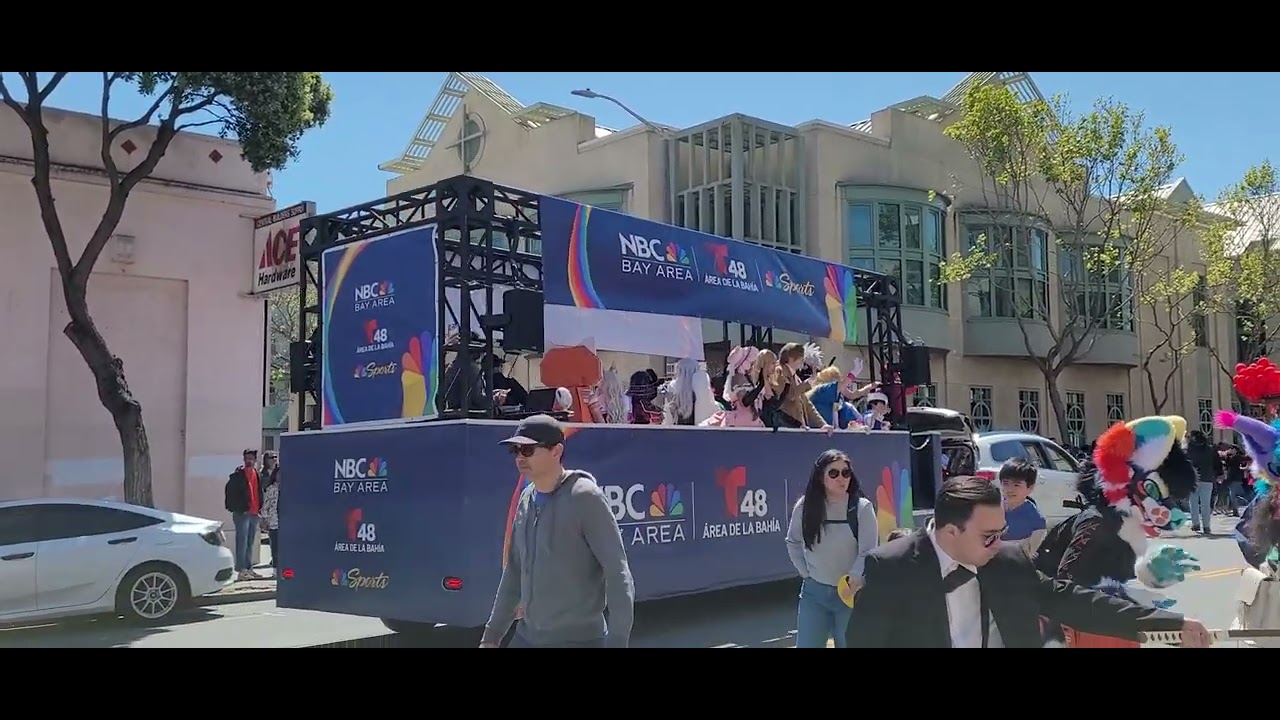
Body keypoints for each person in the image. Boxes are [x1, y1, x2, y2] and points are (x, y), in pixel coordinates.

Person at [844, 475, 1212, 648]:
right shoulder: (890, 568)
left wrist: (1171, 624)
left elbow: (1077, 602)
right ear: (950, 531)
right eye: (988, 536)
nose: (999, 543)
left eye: (1001, 531)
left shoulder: (1007, 563)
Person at [1032, 415, 1202, 647]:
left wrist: (1149, 572)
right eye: (1152, 490)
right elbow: (1066, 590)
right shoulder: (1096, 523)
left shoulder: (1127, 525)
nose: (1164, 508)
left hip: (1111, 625)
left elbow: (1116, 575)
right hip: (1080, 630)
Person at [481, 414, 635, 648]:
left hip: (579, 640)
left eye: (528, 450)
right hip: (527, 637)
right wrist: (491, 638)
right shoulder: (526, 499)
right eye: (516, 450)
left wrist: (618, 641)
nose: (520, 457)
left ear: (556, 451)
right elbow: (513, 573)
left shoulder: (585, 497)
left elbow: (618, 572)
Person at [785, 450, 878, 648]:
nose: (841, 478)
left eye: (846, 473)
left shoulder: (862, 507)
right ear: (821, 477)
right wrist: (805, 573)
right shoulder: (805, 506)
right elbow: (793, 542)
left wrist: (854, 577)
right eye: (833, 473)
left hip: (851, 594)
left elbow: (868, 550)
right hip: (813, 594)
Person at [224, 449, 265, 581]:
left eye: (251, 458)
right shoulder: (238, 475)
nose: (249, 461)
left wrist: (260, 509)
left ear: (255, 460)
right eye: (247, 458)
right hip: (243, 513)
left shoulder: (256, 474)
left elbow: (259, 492)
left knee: (250, 542)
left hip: (254, 513)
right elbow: (229, 493)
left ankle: (248, 568)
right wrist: (235, 508)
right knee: (242, 542)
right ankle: (241, 570)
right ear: (244, 459)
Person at [997, 457, 1046, 557]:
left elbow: (1026, 554)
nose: (1009, 489)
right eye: (1005, 483)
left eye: (1016, 485)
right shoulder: (990, 509)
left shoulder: (1036, 522)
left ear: (1030, 488)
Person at [1185, 430, 1221, 534]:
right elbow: (1217, 462)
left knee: (1193, 502)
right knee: (1206, 503)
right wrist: (1219, 473)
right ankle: (1206, 526)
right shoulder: (1210, 449)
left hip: (1192, 478)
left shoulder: (1188, 450)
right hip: (1207, 478)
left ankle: (1195, 524)